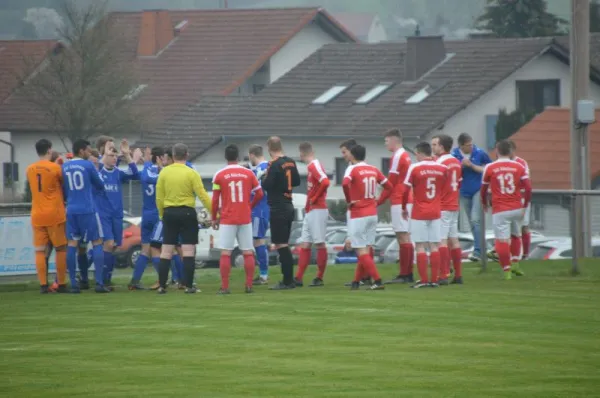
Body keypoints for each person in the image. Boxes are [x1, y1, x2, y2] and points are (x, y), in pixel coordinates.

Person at [155, 143, 212, 294]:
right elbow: (202, 195)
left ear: (172, 156)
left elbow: (159, 197)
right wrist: (215, 211)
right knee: (188, 250)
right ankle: (188, 286)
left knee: (166, 250)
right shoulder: (191, 173)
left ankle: (161, 286)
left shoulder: (164, 173)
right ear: (187, 155)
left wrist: (162, 214)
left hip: (169, 212)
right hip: (187, 212)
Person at [211, 144, 264, 294]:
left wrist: (214, 218)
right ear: (238, 157)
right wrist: (249, 206)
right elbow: (259, 194)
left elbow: (215, 200)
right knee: (247, 252)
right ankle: (248, 285)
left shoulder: (219, 175)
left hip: (228, 218)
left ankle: (225, 287)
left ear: (226, 157)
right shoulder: (248, 173)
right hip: (245, 217)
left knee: (226, 253)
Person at [343, 144, 392, 290]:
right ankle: (356, 281)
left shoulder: (352, 168)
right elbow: (389, 186)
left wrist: (349, 200)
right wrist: (379, 201)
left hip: (358, 213)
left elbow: (345, 183)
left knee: (360, 249)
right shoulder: (373, 169)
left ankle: (377, 280)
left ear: (352, 155)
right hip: (372, 212)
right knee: (366, 247)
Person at [481, 140, 531, 280]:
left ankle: (506, 269)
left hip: (500, 208)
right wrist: (525, 205)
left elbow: (484, 188)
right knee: (516, 235)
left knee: (501, 241)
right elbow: (528, 187)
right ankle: (516, 263)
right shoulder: (519, 166)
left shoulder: (490, 167)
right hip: (516, 206)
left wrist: (484, 203)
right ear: (510, 151)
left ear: (497, 151)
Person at [62, 139, 106, 293]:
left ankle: (74, 284)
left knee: (72, 245)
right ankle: (99, 284)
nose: (89, 152)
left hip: (71, 210)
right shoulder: (88, 165)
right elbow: (100, 184)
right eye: (88, 150)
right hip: (88, 209)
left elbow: (63, 189)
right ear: (81, 151)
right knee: (97, 242)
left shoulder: (65, 166)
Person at [403, 142, 448, 288]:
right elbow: (445, 189)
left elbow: (405, 190)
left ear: (420, 153)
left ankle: (423, 280)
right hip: (435, 211)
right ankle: (434, 280)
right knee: (435, 245)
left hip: (419, 211)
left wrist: (404, 207)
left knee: (420, 246)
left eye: (416, 154)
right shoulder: (443, 168)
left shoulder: (414, 167)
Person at [96, 140, 140, 289]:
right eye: (111, 154)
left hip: (117, 215)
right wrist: (105, 153)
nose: (115, 157)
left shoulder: (118, 173)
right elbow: (96, 167)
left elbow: (135, 173)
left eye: (116, 155)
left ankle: (106, 278)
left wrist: (127, 155)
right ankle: (103, 281)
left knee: (114, 246)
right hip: (103, 215)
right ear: (104, 155)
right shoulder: (98, 169)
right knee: (108, 244)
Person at [26, 139, 68, 294]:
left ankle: (43, 285)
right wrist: (59, 164)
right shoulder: (55, 168)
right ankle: (62, 284)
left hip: (37, 214)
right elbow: (64, 182)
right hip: (54, 214)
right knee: (61, 248)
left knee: (39, 251)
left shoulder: (29, 169)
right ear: (49, 150)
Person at [262, 136, 301, 290]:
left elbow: (267, 185)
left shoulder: (274, 164)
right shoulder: (291, 161)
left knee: (281, 244)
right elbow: (296, 181)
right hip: (289, 204)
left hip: (278, 206)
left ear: (269, 148)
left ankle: (287, 280)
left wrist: (265, 175)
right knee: (284, 243)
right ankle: (289, 279)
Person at [377, 129, 415, 284]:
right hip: (405, 198)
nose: (385, 143)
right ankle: (406, 272)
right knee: (404, 236)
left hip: (400, 199)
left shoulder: (397, 156)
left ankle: (405, 274)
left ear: (394, 140)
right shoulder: (404, 155)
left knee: (402, 236)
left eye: (386, 140)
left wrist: (378, 201)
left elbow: (390, 182)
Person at [129, 146, 167, 290]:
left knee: (146, 250)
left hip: (146, 215)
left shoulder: (145, 170)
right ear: (159, 158)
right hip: (158, 215)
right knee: (162, 249)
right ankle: (165, 280)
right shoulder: (162, 172)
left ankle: (134, 281)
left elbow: (140, 176)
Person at [451, 133, 492, 261]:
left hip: (478, 189)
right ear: (461, 146)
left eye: (471, 144)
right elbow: (453, 170)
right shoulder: (454, 155)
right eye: (468, 145)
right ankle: (480, 249)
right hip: (463, 191)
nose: (471, 146)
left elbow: (489, 168)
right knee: (471, 223)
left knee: (475, 219)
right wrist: (462, 165)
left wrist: (472, 166)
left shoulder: (479, 153)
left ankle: (479, 250)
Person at [294, 142, 330, 287]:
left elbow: (325, 182)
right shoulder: (311, 167)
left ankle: (319, 277)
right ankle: (299, 277)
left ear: (302, 154)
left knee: (319, 242)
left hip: (318, 209)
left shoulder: (314, 166)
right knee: (305, 243)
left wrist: (315, 198)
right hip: (311, 210)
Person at [432, 135, 464, 285]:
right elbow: (459, 183)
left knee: (442, 241)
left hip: (443, 205)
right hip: (454, 204)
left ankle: (443, 274)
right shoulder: (457, 162)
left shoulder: (439, 162)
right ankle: (458, 275)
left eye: (435, 145)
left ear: (442, 146)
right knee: (454, 240)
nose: (433, 148)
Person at [248, 145, 270, 285]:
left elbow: (255, 190)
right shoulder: (269, 166)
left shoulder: (259, 170)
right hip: (264, 208)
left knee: (258, 241)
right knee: (258, 241)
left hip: (258, 209)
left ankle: (263, 275)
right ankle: (262, 273)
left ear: (252, 154)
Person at [509, 140, 532, 262]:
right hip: (508, 199)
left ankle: (526, 254)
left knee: (524, 226)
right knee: (510, 228)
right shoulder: (501, 163)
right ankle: (512, 255)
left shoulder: (521, 163)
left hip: (521, 197)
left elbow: (526, 181)